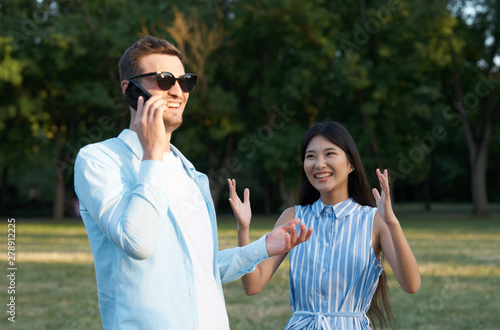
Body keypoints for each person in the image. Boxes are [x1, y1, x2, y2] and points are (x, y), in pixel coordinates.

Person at [74, 35, 311, 330]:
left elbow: (202, 268)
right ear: (129, 89)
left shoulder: (192, 175)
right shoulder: (98, 160)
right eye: (163, 80)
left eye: (184, 81)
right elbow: (138, 242)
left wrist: (263, 246)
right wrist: (152, 154)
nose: (177, 91)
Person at [228, 120, 420, 329]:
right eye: (311, 156)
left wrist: (392, 223)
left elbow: (411, 285)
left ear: (351, 163)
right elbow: (253, 285)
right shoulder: (292, 218)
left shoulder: (374, 220)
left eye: (329, 154)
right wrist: (243, 229)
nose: (319, 164)